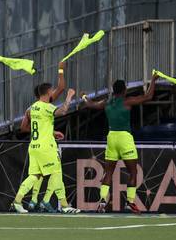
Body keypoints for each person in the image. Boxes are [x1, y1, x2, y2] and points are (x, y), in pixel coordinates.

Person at [83, 73, 159, 214]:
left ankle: (103, 201)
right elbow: (148, 97)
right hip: (124, 138)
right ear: (124, 90)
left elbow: (89, 104)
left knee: (108, 172)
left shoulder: (107, 103)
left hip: (111, 137)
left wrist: (83, 96)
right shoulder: (127, 101)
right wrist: (153, 80)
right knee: (133, 171)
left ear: (113, 90)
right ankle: (130, 202)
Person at [12, 84, 79, 214]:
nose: (53, 92)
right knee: (56, 173)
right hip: (46, 147)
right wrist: (69, 96)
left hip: (34, 146)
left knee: (34, 176)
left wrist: (51, 132)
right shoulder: (47, 107)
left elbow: (28, 127)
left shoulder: (32, 108)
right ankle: (54, 202)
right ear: (48, 92)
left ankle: (17, 201)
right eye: (52, 90)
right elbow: (63, 111)